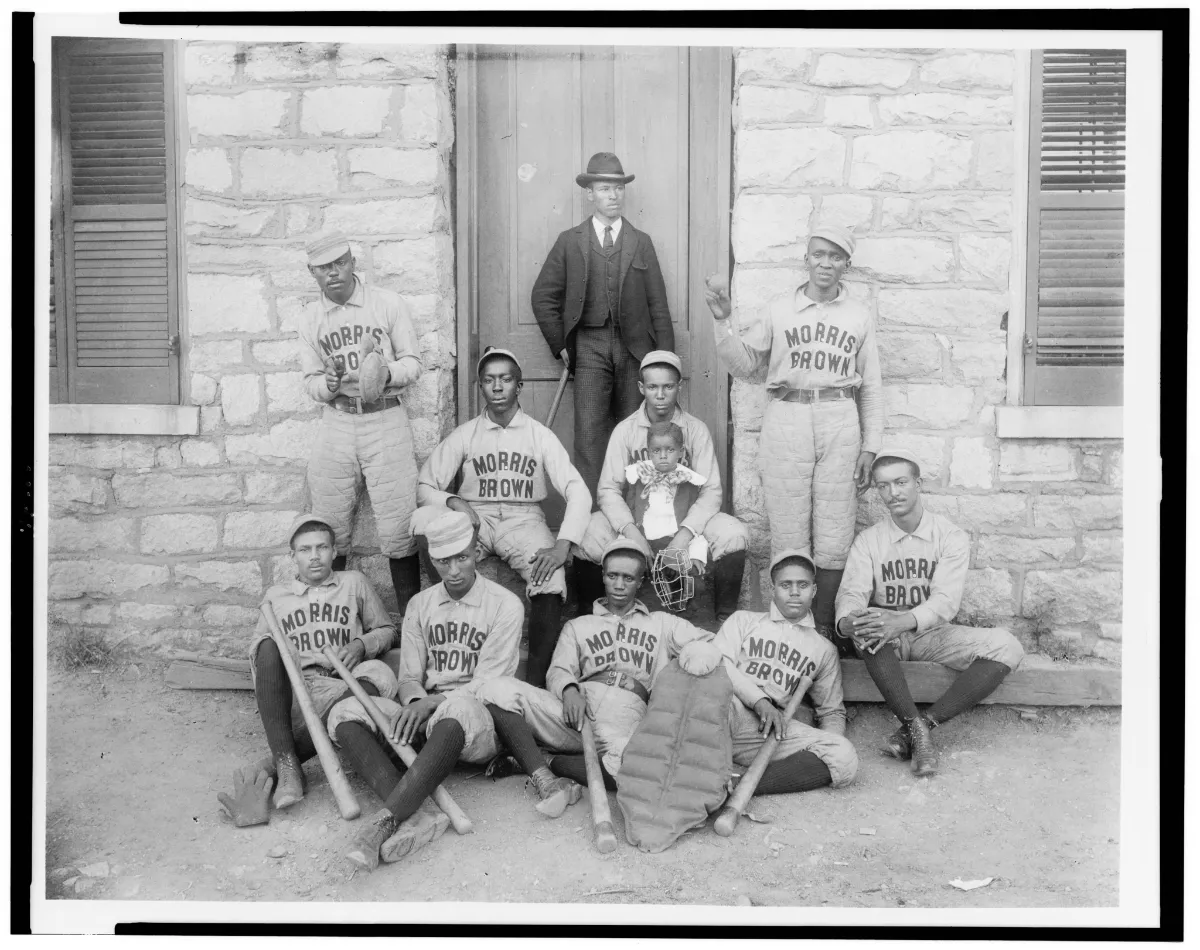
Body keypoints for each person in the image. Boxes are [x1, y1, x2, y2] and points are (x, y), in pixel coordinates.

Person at [704, 225, 883, 640]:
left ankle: (823, 632)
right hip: (787, 416)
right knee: (788, 529)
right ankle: (787, 629)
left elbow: (871, 386)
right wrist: (723, 322)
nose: (826, 263)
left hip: (840, 415)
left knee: (836, 531)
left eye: (835, 257)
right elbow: (746, 366)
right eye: (819, 254)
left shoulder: (858, 315)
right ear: (806, 258)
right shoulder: (780, 308)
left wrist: (870, 446)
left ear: (846, 265)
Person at [326, 510, 524, 870]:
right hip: (427, 719)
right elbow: (409, 677)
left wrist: (433, 703)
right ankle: (417, 813)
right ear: (432, 559)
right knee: (347, 711)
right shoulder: (420, 605)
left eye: (462, 557)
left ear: (477, 551)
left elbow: (488, 684)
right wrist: (416, 703)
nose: (454, 571)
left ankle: (384, 822)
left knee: (457, 708)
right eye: (443, 561)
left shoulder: (505, 604)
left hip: (476, 723)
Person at [476, 537, 716, 805]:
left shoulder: (662, 624)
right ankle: (542, 775)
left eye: (628, 577)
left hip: (626, 713)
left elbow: (707, 643)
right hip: (576, 711)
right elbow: (559, 670)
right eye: (612, 575)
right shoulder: (579, 625)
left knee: (638, 770)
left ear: (640, 581)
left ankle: (546, 761)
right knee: (497, 689)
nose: (619, 584)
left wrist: (687, 667)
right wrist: (568, 689)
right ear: (603, 576)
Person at [835, 447, 1025, 777]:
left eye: (900, 482)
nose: (892, 493)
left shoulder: (948, 536)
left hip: (930, 634)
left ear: (918, 483)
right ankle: (917, 731)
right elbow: (852, 594)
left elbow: (945, 603)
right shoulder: (869, 541)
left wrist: (903, 621)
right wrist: (848, 621)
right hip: (884, 639)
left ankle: (923, 724)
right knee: (867, 628)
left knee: (1007, 646)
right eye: (883, 486)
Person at [412, 347, 591, 689]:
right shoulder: (466, 434)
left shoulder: (539, 434)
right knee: (422, 520)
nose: (497, 387)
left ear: (519, 386)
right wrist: (453, 501)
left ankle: (536, 687)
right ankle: (445, 623)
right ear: (480, 386)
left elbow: (578, 490)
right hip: (474, 515)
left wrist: (562, 546)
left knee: (550, 580)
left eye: (506, 380)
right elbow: (424, 485)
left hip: (523, 519)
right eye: (490, 380)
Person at [218, 514, 398, 826]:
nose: (314, 557)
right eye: (305, 550)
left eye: (321, 548)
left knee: (382, 673)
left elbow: (386, 629)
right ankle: (287, 763)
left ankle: (283, 763)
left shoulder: (353, 583)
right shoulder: (276, 596)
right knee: (267, 644)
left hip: (345, 685)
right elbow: (259, 657)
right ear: (293, 555)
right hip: (299, 690)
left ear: (333, 551)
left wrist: (360, 644)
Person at [531, 152, 675, 498]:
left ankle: (634, 520)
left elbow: (658, 305)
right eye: (605, 188)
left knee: (635, 435)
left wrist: (665, 363)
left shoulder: (641, 242)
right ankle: (592, 524)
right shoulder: (570, 241)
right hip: (590, 348)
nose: (613, 196)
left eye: (618, 189)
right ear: (590, 194)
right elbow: (542, 296)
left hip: (634, 350)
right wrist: (561, 345)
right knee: (590, 436)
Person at [298, 231, 423, 613]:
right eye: (323, 268)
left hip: (385, 416)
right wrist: (328, 384)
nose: (333, 273)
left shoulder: (387, 304)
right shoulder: (311, 318)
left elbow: (413, 363)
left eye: (339, 263)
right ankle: (331, 617)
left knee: (399, 523)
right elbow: (311, 382)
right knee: (329, 523)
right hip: (338, 420)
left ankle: (412, 622)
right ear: (312, 273)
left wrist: (385, 372)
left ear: (353, 262)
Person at [576, 350, 749, 621]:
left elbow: (711, 491)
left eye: (668, 386)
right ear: (641, 388)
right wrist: (631, 532)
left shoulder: (695, 429)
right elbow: (608, 490)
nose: (660, 395)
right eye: (653, 387)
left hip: (685, 520)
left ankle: (725, 618)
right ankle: (589, 617)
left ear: (679, 387)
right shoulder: (627, 430)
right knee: (587, 532)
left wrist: (684, 535)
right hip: (637, 519)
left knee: (733, 533)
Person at [713, 549, 859, 796]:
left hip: (768, 730)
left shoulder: (823, 649)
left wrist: (819, 748)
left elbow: (831, 712)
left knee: (843, 755)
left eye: (802, 585)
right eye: (785, 584)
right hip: (727, 709)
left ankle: (739, 786)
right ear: (773, 589)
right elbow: (719, 664)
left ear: (813, 590)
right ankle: (703, 776)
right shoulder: (743, 621)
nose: (794, 592)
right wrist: (759, 701)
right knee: (704, 696)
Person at [623, 421, 708, 575]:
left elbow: (692, 524)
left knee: (686, 579)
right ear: (648, 451)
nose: (663, 456)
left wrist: (696, 554)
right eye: (656, 450)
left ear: (681, 452)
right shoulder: (640, 475)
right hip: (643, 538)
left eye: (670, 450)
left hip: (674, 541)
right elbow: (630, 511)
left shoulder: (687, 481)